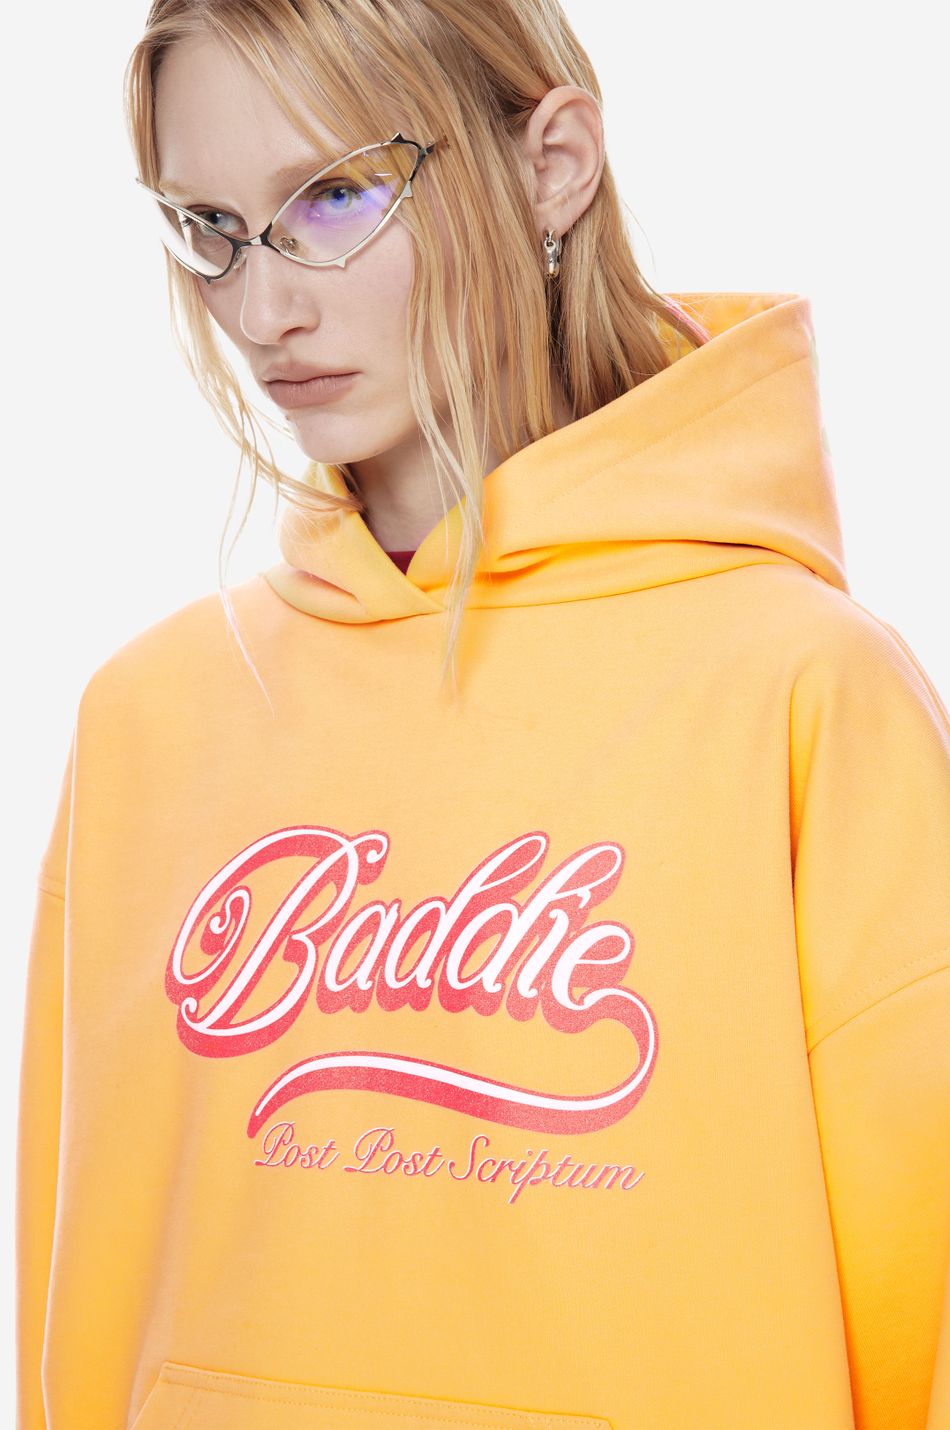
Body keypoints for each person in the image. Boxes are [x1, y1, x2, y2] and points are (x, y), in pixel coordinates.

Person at [15, 1, 950, 1428]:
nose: (263, 311)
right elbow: (79, 1306)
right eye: (213, 227)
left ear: (551, 163)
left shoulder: (802, 693)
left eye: (334, 197)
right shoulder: (147, 715)